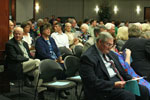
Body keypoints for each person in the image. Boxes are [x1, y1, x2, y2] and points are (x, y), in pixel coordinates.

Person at [79, 32, 149, 100]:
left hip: (119, 81)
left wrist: (131, 79)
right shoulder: (88, 58)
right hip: (104, 87)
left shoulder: (111, 53)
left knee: (143, 90)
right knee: (127, 95)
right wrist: (113, 84)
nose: (110, 48)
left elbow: (122, 71)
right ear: (100, 42)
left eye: (111, 45)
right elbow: (91, 82)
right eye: (108, 45)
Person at [5, 27, 46, 100]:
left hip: (28, 64)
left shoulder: (25, 44)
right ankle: (47, 76)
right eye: (15, 34)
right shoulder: (9, 44)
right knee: (37, 61)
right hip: (17, 66)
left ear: (22, 34)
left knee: (37, 72)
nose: (17, 35)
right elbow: (15, 57)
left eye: (19, 34)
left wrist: (29, 59)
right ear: (13, 34)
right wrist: (28, 59)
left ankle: (40, 93)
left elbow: (29, 56)